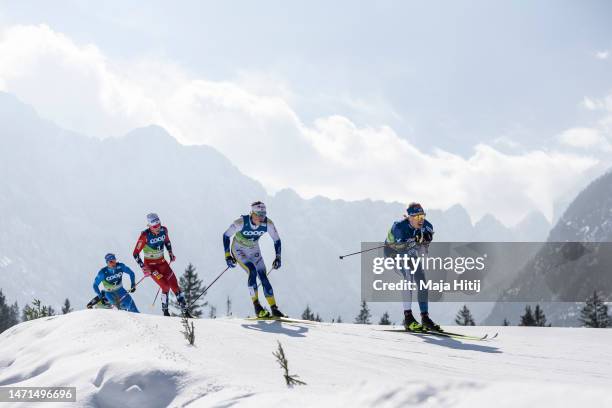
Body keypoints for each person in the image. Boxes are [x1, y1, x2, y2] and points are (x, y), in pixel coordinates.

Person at [223, 201, 285, 318]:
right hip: (239, 250)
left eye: (264, 214)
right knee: (252, 271)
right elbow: (226, 235)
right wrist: (227, 255)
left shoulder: (268, 224)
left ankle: (274, 308)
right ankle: (257, 307)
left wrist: (278, 257)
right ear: (252, 213)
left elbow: (277, 240)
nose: (262, 218)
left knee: (263, 276)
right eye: (259, 215)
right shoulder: (240, 222)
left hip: (254, 250)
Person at [384, 202, 438, 331]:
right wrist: (415, 240)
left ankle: (425, 317)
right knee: (408, 275)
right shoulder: (399, 227)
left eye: (422, 217)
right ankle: (408, 318)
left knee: (422, 281)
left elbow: (423, 252)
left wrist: (426, 241)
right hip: (393, 252)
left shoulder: (427, 226)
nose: (420, 220)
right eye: (417, 217)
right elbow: (401, 250)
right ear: (409, 217)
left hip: (411, 252)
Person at [133, 213, 192, 317]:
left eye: (159, 224)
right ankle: (165, 312)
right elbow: (135, 253)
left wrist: (170, 253)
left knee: (175, 285)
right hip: (151, 267)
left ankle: (185, 311)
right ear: (149, 226)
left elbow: (167, 241)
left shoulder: (164, 230)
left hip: (163, 263)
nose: (158, 228)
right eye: (155, 226)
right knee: (165, 286)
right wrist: (143, 267)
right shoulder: (144, 236)